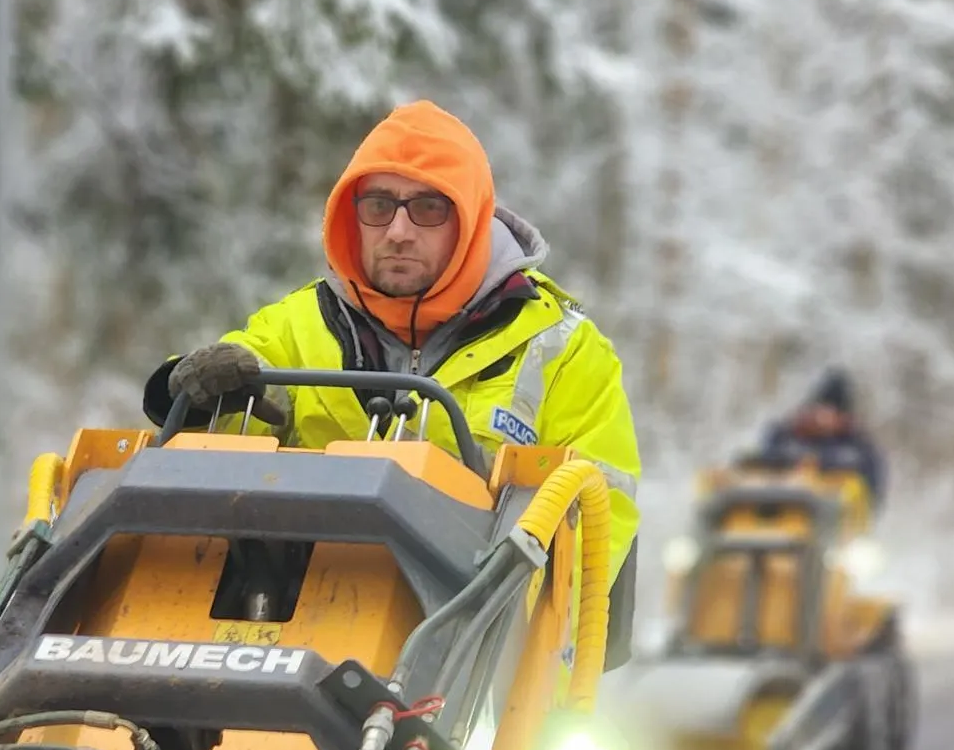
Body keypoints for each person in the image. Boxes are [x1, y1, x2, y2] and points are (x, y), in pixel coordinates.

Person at [141, 99, 642, 590]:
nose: (398, 231)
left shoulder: (565, 351)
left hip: (474, 643)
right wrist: (188, 389)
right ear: (350, 216)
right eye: (379, 206)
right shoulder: (298, 324)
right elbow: (229, 404)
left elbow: (598, 526)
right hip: (291, 625)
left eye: (427, 208)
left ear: (470, 222)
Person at [748, 367, 886, 510]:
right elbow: (766, 458)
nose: (824, 417)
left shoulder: (858, 448)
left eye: (833, 411)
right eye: (821, 409)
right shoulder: (788, 434)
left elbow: (871, 491)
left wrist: (820, 465)